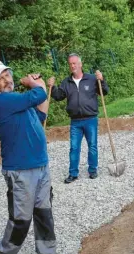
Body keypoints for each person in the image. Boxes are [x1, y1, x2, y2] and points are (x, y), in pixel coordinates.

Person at [0, 59, 57, 254]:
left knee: (44, 214)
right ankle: (4, 252)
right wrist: (34, 84)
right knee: (21, 220)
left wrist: (40, 85)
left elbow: (41, 112)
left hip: (41, 165)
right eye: (0, 78)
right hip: (20, 170)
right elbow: (38, 96)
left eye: (7, 75)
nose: (7, 80)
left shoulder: (17, 103)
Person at [48, 54, 109, 184]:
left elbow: (104, 92)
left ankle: (92, 170)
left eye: (75, 63)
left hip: (90, 119)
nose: (72, 66)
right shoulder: (66, 82)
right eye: (70, 64)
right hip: (75, 121)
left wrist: (101, 80)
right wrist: (52, 87)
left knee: (92, 146)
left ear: (80, 64)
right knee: (74, 148)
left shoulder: (92, 79)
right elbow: (59, 96)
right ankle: (73, 173)